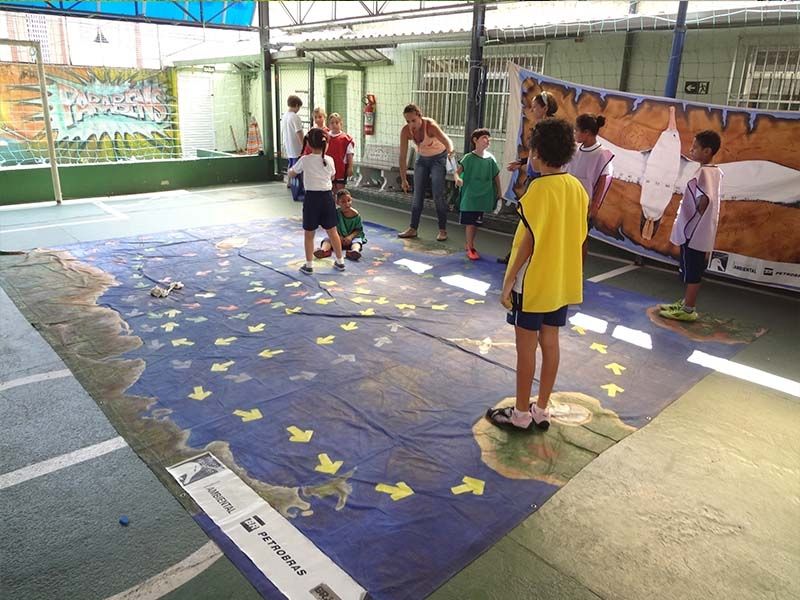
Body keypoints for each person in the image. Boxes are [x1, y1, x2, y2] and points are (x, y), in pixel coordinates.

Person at [487, 118, 588, 431]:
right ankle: (542, 409)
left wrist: (507, 282)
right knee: (551, 342)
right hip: (559, 281)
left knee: (526, 348)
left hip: (532, 283)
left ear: (537, 154)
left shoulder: (539, 189)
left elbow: (528, 243)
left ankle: (520, 414)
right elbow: (579, 236)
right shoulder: (577, 188)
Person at [659, 130, 723, 322]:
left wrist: (694, 216)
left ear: (707, 151)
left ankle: (688, 309)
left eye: (695, 147)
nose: (691, 150)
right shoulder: (714, 171)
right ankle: (686, 301)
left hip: (694, 232)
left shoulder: (705, 172)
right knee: (690, 267)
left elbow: (704, 200)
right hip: (696, 230)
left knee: (693, 271)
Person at [497, 90, 559, 264]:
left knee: (530, 217)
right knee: (529, 217)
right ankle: (521, 254)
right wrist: (522, 162)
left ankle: (524, 255)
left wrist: (533, 166)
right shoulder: (543, 126)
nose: (532, 110)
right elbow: (535, 153)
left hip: (541, 178)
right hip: (536, 176)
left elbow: (543, 153)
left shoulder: (548, 128)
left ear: (545, 108)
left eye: (535, 107)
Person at [288, 128, 346, 274]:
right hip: (327, 198)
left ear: (308, 144)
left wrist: (290, 171)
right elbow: (332, 176)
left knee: (309, 233)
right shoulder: (329, 160)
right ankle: (340, 261)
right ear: (325, 145)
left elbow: (292, 173)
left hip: (311, 199)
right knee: (332, 231)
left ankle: (308, 265)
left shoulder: (304, 160)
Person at [397, 103, 455, 242]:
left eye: (413, 120)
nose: (411, 124)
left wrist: (451, 155)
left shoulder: (430, 126)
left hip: (438, 158)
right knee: (417, 195)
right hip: (422, 159)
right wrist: (404, 179)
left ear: (420, 117)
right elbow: (402, 156)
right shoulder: (406, 131)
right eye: (408, 121)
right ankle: (413, 228)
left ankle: (442, 230)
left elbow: (447, 142)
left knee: (437, 194)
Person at [567, 113, 614, 257]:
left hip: (584, 204)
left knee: (581, 239)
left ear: (586, 133)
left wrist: (595, 206)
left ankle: (578, 272)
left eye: (576, 130)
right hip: (568, 201)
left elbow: (603, 180)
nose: (574, 133)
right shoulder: (574, 150)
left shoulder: (601, 154)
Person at [454, 128, 501, 261]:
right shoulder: (468, 158)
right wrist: (458, 179)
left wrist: (499, 192)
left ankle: (469, 243)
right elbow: (457, 172)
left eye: (488, 138)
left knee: (475, 223)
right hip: (470, 196)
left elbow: (496, 176)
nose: (487, 140)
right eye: (484, 137)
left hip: (483, 196)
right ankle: (470, 247)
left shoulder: (490, 159)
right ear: (475, 140)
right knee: (470, 223)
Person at [314, 189, 366, 261]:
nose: (347, 204)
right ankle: (323, 251)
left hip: (352, 237)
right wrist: (338, 236)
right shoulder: (336, 213)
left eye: (349, 200)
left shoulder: (356, 215)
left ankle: (354, 251)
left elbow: (358, 230)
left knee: (357, 242)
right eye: (343, 202)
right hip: (338, 236)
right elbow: (331, 227)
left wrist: (350, 237)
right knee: (328, 240)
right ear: (338, 202)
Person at [281, 95, 305, 202]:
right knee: (297, 169)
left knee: (291, 164)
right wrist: (304, 145)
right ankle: (298, 190)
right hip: (296, 148)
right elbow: (299, 132)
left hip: (289, 146)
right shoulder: (295, 117)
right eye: (299, 107)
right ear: (296, 105)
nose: (298, 110)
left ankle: (289, 182)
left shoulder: (285, 116)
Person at [326, 113, 355, 192]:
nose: (334, 125)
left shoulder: (346, 138)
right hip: (328, 168)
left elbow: (350, 155)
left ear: (341, 124)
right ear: (329, 125)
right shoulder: (326, 137)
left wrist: (350, 167)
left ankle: (341, 203)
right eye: (332, 123)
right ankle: (332, 204)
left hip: (340, 168)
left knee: (340, 189)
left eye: (337, 123)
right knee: (330, 188)